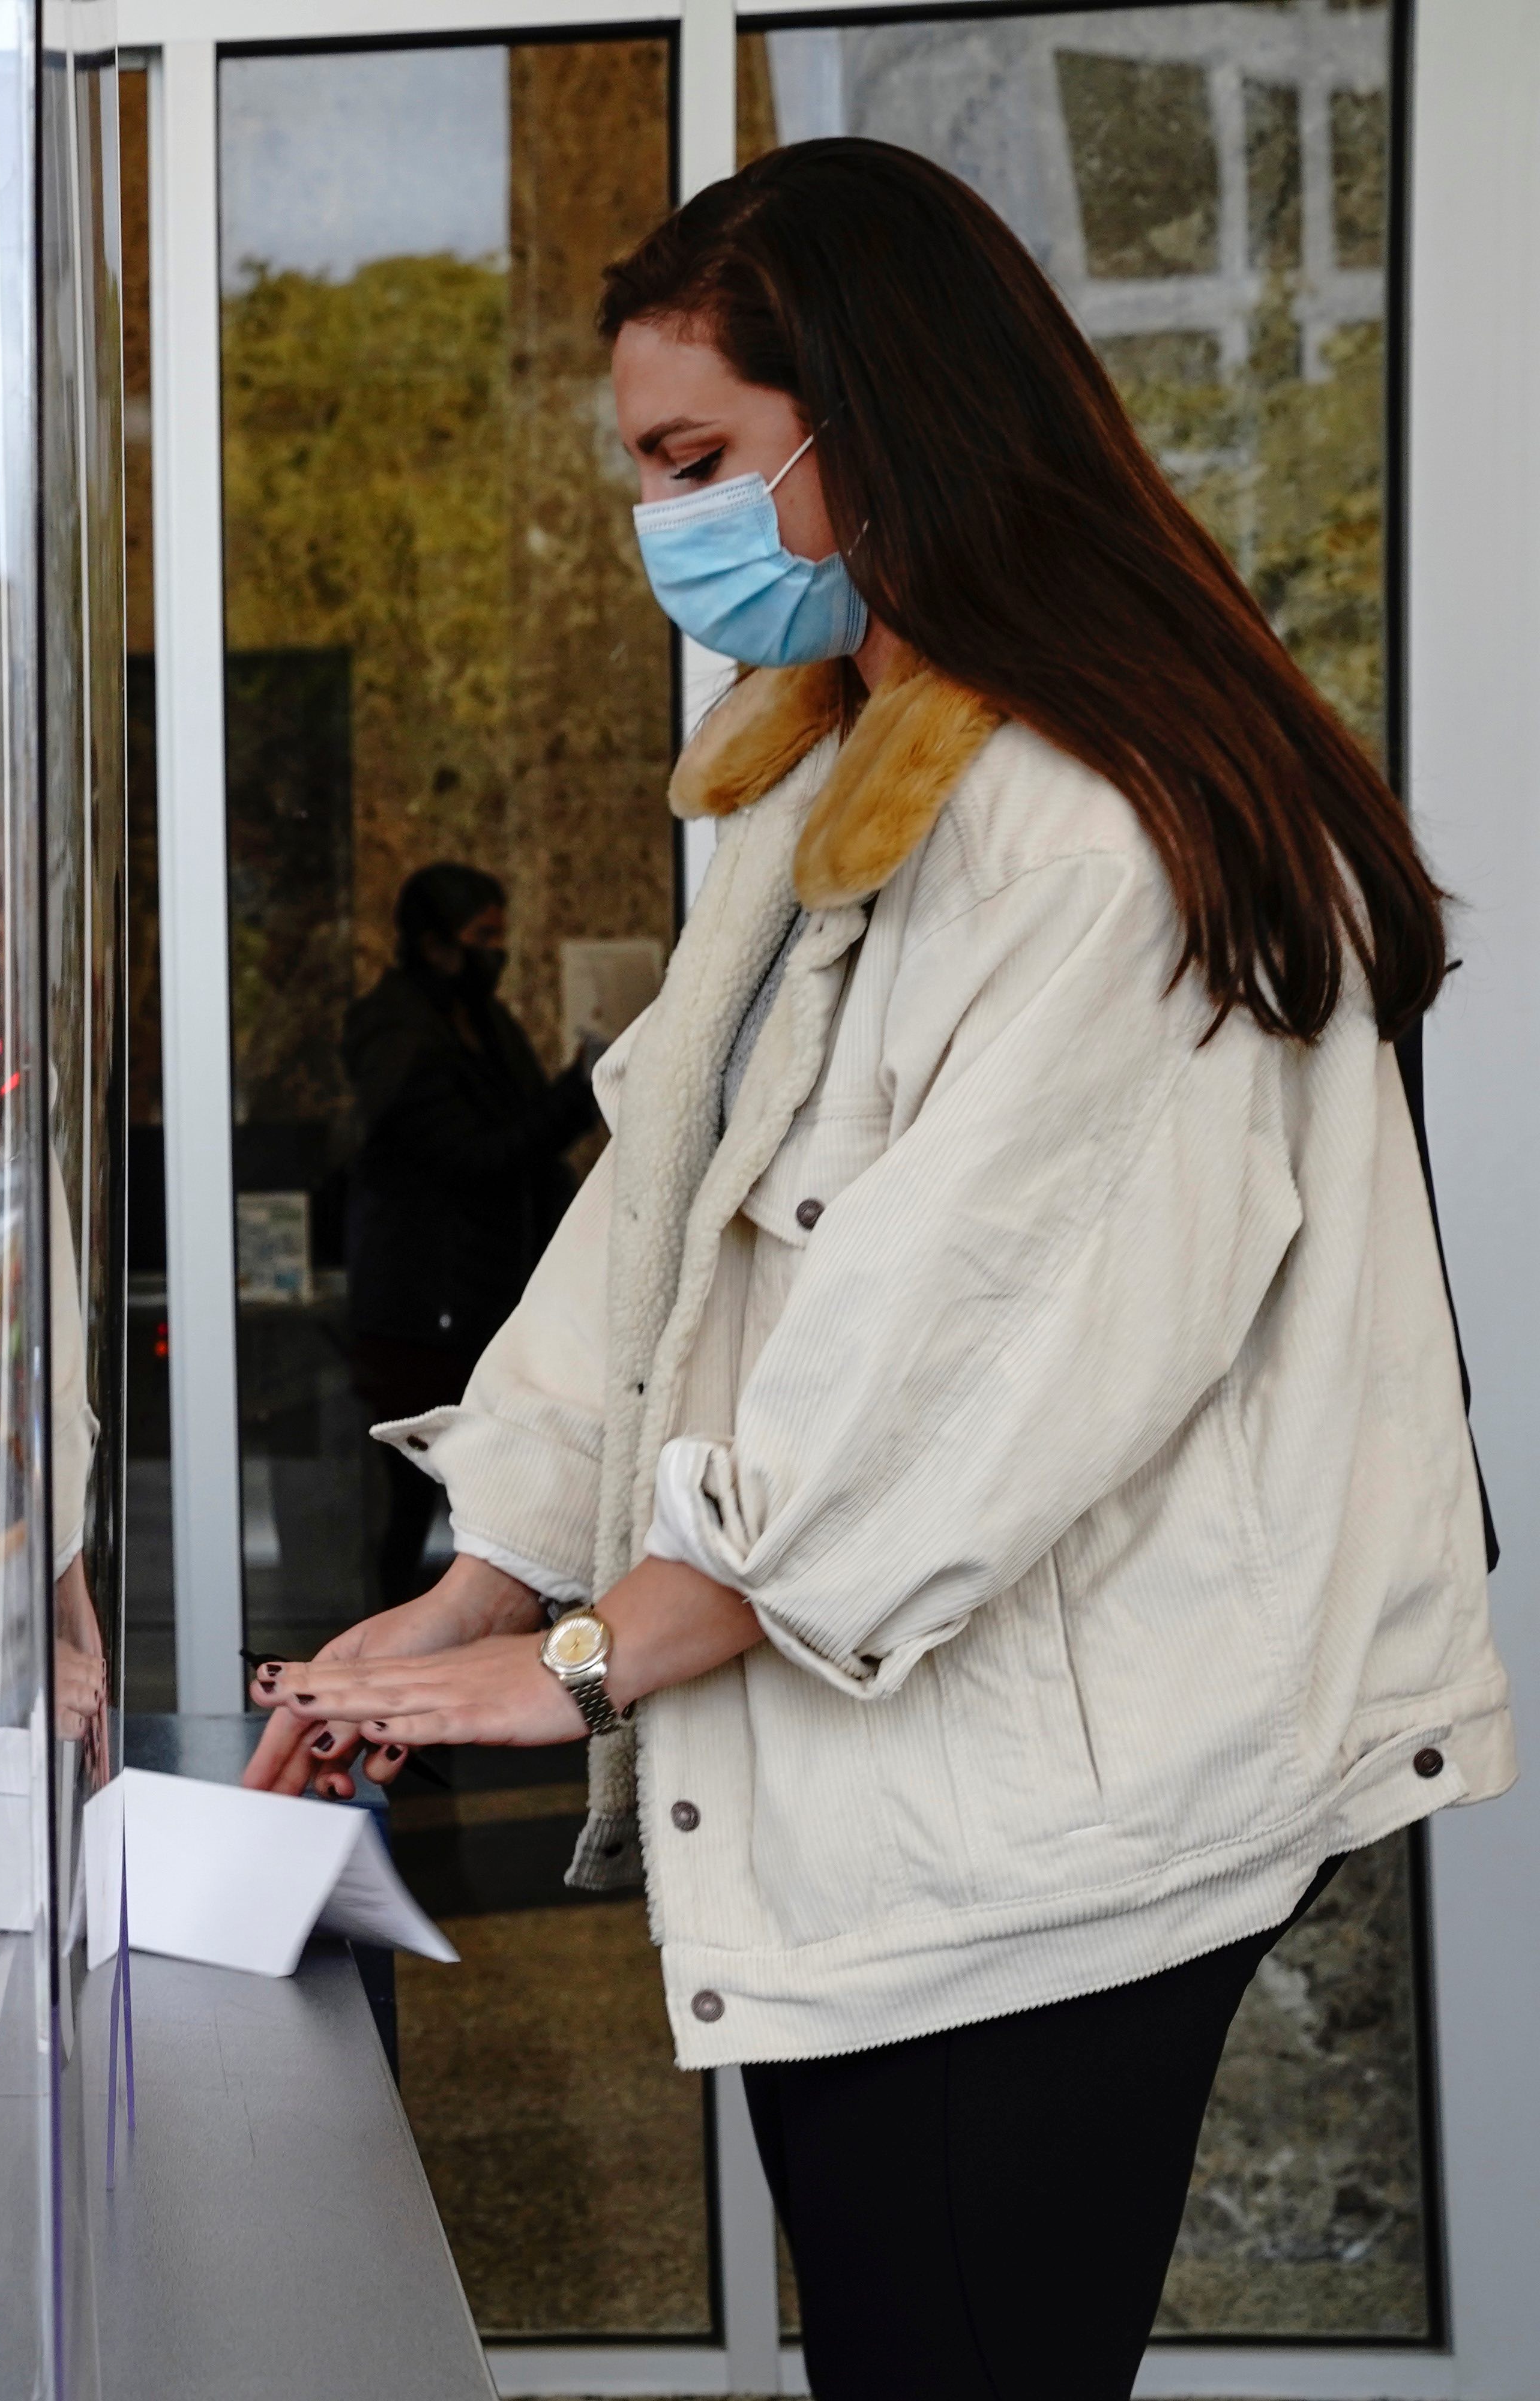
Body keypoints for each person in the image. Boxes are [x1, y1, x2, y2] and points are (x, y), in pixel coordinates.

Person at [241, 139, 1508, 2399]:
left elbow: (955, 1356)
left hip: (1041, 1816)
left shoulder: (1101, 834)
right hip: (913, 1778)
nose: (660, 524)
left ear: (878, 426)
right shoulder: (829, 792)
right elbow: (654, 1215)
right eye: (643, 469)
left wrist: (581, 1658)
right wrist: (478, 1575)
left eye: (694, 460)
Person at [338, 863, 601, 1612]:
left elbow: (518, 1136)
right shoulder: (398, 1032)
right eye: (482, 935)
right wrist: (576, 1092)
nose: (497, 952)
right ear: (435, 942)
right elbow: (472, 1155)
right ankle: (399, 1644)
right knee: (416, 1506)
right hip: (425, 1309)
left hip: (480, 1295)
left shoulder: (479, 1018)